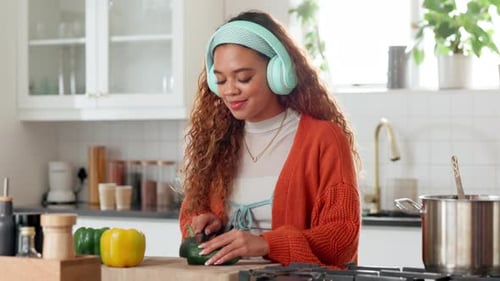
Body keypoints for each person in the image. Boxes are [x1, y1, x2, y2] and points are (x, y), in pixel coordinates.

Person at [178, 10, 361, 269]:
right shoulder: (215, 142)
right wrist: (204, 224)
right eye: (220, 80)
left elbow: (342, 238)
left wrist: (267, 243)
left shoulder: (323, 139)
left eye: (243, 78)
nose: (229, 90)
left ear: (279, 73)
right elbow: (190, 216)